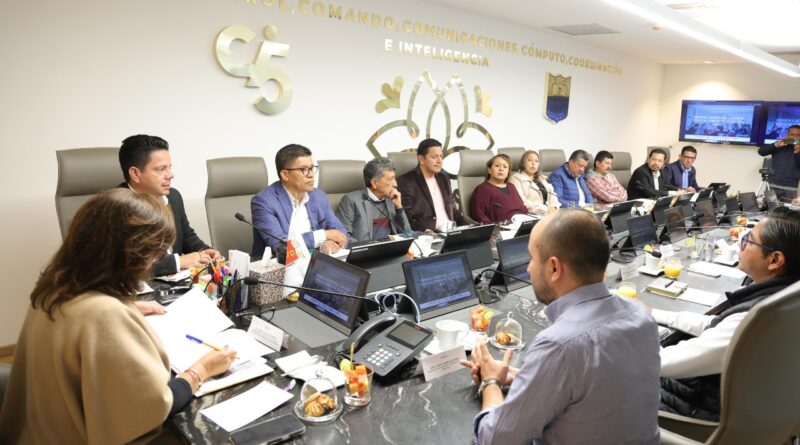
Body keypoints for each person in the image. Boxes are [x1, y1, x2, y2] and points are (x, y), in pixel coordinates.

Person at [0, 189, 236, 444]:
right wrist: (201, 370)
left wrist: (125, 306)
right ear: (130, 255)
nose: (153, 263)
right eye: (156, 255)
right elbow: (155, 407)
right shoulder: (102, 315)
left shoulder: (54, 287)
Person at [461, 209, 660, 444]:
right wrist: (527, 378)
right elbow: (597, 388)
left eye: (532, 258)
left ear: (554, 268)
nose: (528, 268)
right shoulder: (641, 316)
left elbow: (493, 440)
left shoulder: (559, 345)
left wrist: (490, 382)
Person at [655, 207, 800, 421]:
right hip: (739, 407)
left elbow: (659, 363)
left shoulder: (756, 318)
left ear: (775, 260)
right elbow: (718, 326)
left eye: (748, 240)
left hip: (689, 414)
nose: (740, 244)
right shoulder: (786, 298)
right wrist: (654, 313)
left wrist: (633, 323)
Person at [119, 134, 220, 277]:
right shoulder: (116, 207)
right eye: (161, 169)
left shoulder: (173, 197)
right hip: (139, 287)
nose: (170, 175)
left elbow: (187, 237)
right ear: (135, 173)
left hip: (177, 283)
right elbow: (126, 265)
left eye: (169, 168)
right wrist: (179, 261)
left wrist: (204, 251)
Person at [251, 144, 348, 258]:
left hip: (316, 262)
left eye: (312, 168)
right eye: (304, 170)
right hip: (279, 265)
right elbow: (279, 245)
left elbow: (340, 230)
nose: (311, 175)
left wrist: (331, 244)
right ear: (285, 175)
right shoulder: (264, 201)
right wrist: (323, 235)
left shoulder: (318, 196)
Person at [396, 138, 469, 231]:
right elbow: (407, 219)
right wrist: (435, 227)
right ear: (421, 159)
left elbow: (453, 211)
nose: (439, 161)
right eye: (434, 157)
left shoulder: (444, 177)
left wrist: (470, 228)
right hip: (429, 234)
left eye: (441, 156)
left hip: (452, 232)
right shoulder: (406, 181)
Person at [336, 157, 412, 242]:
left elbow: (408, 234)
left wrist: (399, 207)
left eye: (394, 178)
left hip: (393, 248)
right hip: (367, 249)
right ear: (374, 183)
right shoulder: (351, 200)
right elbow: (343, 235)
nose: (395, 184)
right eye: (390, 179)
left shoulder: (391, 199)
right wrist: (367, 248)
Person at [469, 154, 528, 223]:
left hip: (523, 223)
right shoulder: (482, 189)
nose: (501, 169)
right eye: (497, 166)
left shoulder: (511, 186)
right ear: (489, 170)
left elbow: (523, 209)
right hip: (501, 227)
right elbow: (479, 216)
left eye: (505, 167)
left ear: (508, 172)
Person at [507, 150, 559, 215]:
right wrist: (546, 209)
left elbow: (553, 196)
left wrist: (555, 207)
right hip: (530, 215)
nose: (533, 163)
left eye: (536, 161)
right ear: (523, 163)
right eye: (530, 160)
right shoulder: (516, 179)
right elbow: (522, 202)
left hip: (548, 214)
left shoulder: (541, 178)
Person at [758, 124, 800, 201]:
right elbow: (761, 152)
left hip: (790, 188)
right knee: (769, 207)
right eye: (792, 134)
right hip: (772, 186)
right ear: (787, 135)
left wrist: (797, 152)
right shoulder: (779, 145)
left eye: (797, 135)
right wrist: (776, 145)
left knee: (788, 208)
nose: (794, 137)